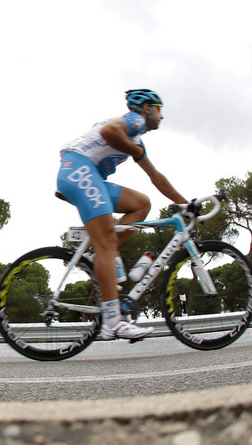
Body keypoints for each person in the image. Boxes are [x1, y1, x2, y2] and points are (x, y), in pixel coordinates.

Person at [56, 88, 188, 341]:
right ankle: (112, 323)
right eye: (160, 110)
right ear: (148, 108)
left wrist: (184, 203)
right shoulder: (134, 120)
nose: (162, 117)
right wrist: (135, 151)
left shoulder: (136, 139)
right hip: (78, 169)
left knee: (141, 204)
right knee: (106, 243)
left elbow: (156, 178)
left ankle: (101, 259)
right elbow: (108, 132)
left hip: (85, 173)